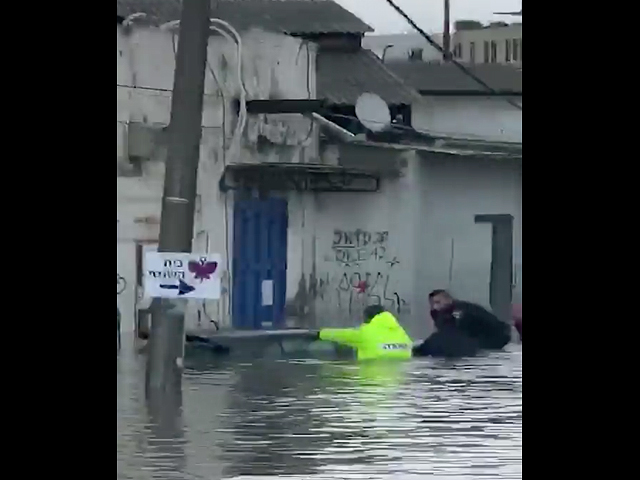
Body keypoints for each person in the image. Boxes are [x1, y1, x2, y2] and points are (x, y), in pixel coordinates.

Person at [314, 305, 413, 361]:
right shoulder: (402, 333)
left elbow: (340, 335)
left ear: (368, 318)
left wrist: (320, 333)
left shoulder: (364, 333)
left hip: (372, 375)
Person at [427, 289, 512, 351]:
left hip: (493, 337)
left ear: (448, 300)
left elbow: (452, 332)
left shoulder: (460, 311)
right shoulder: (442, 313)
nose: (435, 307)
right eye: (432, 304)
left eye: (438, 302)